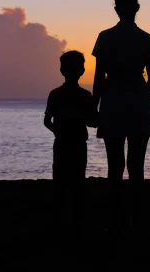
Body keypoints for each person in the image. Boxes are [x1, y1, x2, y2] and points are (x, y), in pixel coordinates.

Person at [91, 0, 150, 233]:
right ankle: (136, 220)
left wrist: (95, 106)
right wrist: (140, 97)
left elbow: (99, 77)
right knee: (136, 166)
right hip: (138, 100)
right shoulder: (146, 39)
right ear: (137, 8)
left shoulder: (105, 37)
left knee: (115, 166)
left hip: (112, 100)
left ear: (117, 9)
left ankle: (116, 220)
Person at [44, 50, 98, 236]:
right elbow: (93, 122)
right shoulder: (84, 95)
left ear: (62, 70)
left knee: (62, 182)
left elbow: (47, 121)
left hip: (64, 143)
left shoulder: (56, 94)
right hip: (73, 143)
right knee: (76, 183)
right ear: (82, 70)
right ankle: (74, 222)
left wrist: (57, 130)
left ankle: (62, 221)